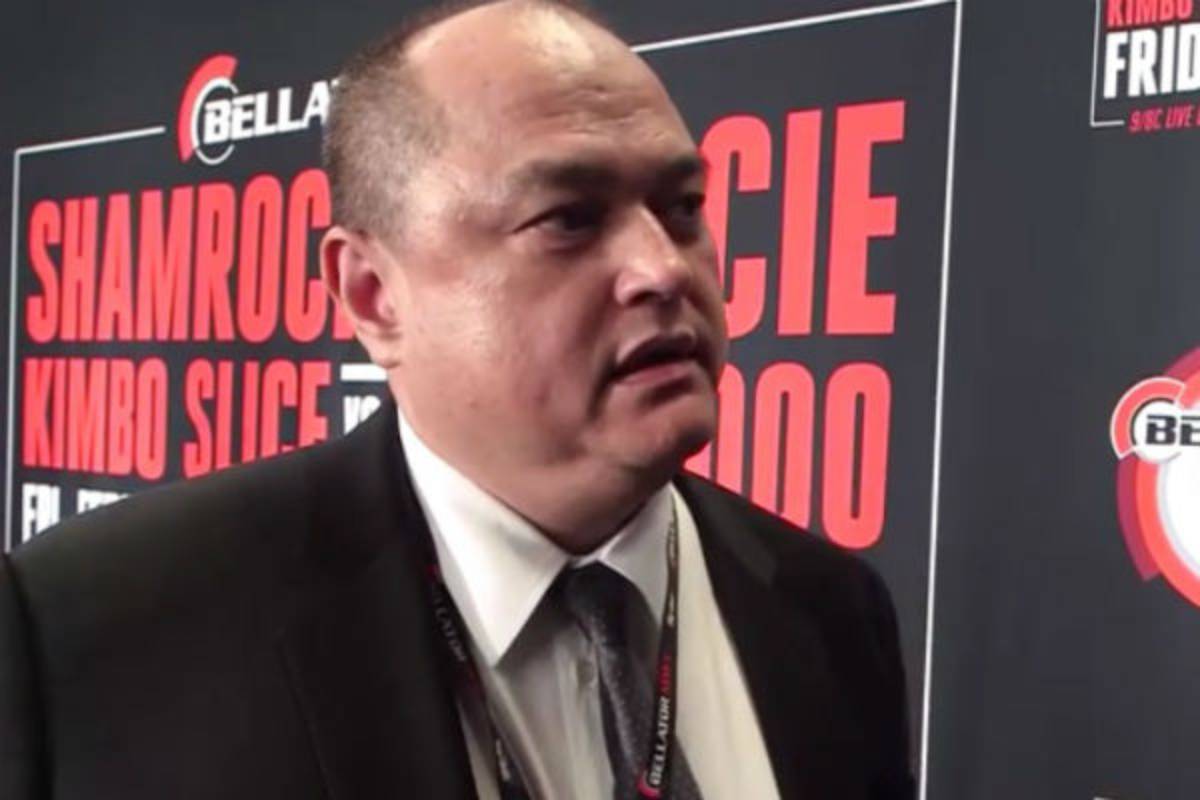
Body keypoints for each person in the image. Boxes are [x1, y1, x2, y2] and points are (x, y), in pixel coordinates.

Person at [0, 1, 915, 797]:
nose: (664, 269)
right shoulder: (100, 637)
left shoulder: (831, 612)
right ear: (373, 296)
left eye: (681, 207)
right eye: (569, 219)